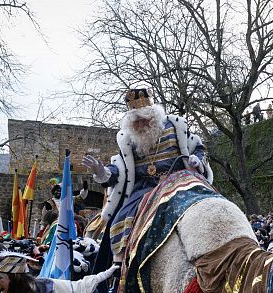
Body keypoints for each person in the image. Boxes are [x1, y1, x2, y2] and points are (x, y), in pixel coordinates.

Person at [82, 89, 211, 264]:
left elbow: (198, 147)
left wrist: (197, 160)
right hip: (144, 188)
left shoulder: (175, 126)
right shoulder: (128, 139)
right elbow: (119, 169)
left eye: (145, 119)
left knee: (208, 203)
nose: (141, 124)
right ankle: (118, 270)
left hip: (179, 180)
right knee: (120, 221)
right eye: (136, 121)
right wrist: (101, 171)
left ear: (154, 116)